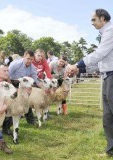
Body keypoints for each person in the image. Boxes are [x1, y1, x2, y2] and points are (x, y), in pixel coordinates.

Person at [65, 9, 113, 156]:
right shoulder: (105, 33)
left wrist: (77, 65)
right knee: (108, 116)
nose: (92, 23)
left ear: (102, 18)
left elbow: (99, 54)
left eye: (94, 19)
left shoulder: (110, 31)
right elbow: (101, 60)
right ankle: (111, 150)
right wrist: (81, 69)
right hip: (107, 76)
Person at [9, 50, 41, 124]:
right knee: (12, 102)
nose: (29, 61)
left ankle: (30, 120)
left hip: (23, 84)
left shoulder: (32, 68)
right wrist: (13, 88)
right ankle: (8, 123)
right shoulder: (15, 64)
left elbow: (36, 79)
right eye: (28, 58)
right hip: (11, 82)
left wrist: (43, 88)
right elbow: (7, 75)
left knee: (26, 100)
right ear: (24, 57)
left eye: (31, 59)